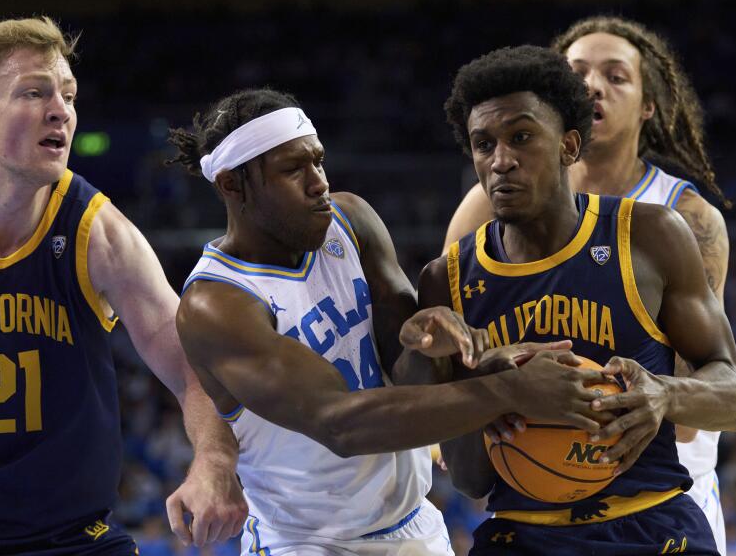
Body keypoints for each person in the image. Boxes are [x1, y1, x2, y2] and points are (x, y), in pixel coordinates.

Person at [168, 87, 617, 556]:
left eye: (317, 161)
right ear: (231, 185)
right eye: (292, 169)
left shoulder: (350, 220)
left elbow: (410, 380)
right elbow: (341, 425)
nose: (318, 182)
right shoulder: (216, 304)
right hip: (307, 543)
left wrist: (430, 348)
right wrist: (512, 391)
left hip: (413, 527)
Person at [0, 17, 247, 554]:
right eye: (34, 92)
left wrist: (213, 461)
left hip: (70, 536)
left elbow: (193, 363)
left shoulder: (97, 230)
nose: (61, 111)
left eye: (68, 95)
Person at [422, 44, 736, 555]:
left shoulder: (651, 234)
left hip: (648, 521)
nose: (501, 160)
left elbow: (735, 396)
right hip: (522, 529)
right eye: (483, 144)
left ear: (569, 145)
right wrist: (486, 391)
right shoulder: (447, 280)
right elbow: (469, 480)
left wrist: (664, 394)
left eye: (522, 137)